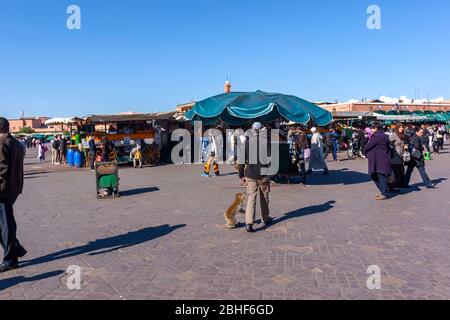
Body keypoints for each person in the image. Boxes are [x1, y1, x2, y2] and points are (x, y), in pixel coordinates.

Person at [0, 118, 27, 272]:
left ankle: (10, 259)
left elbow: (1, 170)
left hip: (3, 190)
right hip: (13, 188)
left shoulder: (2, 143)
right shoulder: (15, 142)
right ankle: (15, 250)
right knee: (6, 223)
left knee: (6, 224)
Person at [238, 122, 273, 233]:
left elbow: (242, 160)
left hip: (250, 174)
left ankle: (249, 223)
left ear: (252, 130)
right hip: (262, 174)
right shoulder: (266, 142)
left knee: (251, 198)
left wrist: (240, 174)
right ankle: (265, 218)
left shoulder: (247, 143)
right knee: (264, 197)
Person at [364, 123, 392, 200]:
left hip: (379, 159)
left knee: (379, 176)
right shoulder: (383, 135)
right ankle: (384, 191)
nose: (371, 130)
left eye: (372, 129)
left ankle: (385, 193)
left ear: (376, 128)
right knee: (379, 175)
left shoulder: (377, 136)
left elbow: (367, 146)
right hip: (382, 158)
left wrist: (365, 148)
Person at [389, 123, 407, 189]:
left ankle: (399, 184)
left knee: (401, 171)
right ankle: (395, 185)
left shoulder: (403, 135)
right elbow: (389, 143)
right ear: (397, 128)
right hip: (395, 155)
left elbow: (405, 142)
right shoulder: (394, 135)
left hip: (401, 154)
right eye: (400, 127)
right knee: (397, 171)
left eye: (402, 127)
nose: (402, 129)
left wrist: (406, 145)